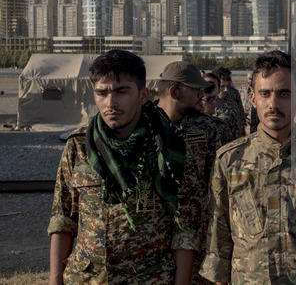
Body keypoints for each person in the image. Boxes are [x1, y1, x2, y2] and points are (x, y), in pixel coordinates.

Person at [200, 50, 296, 284]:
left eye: (284, 94)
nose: (273, 103)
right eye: (265, 93)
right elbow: (218, 247)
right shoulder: (230, 160)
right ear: (253, 99)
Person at [48, 49, 198, 285]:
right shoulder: (79, 146)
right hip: (87, 278)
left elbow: (186, 229)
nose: (110, 102)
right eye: (102, 93)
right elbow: (63, 220)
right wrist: (55, 280)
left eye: (121, 92)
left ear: (143, 95)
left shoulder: (169, 148)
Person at [157, 61, 222, 284]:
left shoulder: (206, 127)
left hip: (195, 235)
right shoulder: (145, 126)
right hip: (154, 237)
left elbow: (216, 183)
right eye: (194, 90)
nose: (200, 96)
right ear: (174, 92)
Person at [201, 72, 234, 145]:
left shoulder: (221, 126)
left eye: (215, 98)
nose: (213, 102)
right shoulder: (187, 124)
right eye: (209, 99)